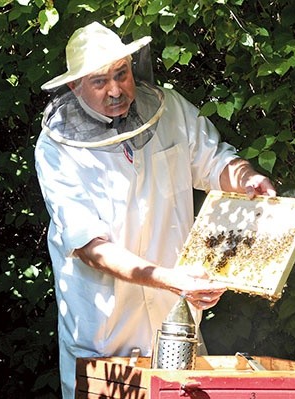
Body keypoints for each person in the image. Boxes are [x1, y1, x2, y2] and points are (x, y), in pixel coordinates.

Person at [34, 21, 276, 398]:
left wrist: (246, 177)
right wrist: (173, 280)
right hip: (104, 341)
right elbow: (90, 248)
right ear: (74, 86)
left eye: (122, 73)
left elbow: (215, 163)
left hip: (177, 328)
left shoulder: (171, 110)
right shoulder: (56, 149)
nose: (116, 89)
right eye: (99, 82)